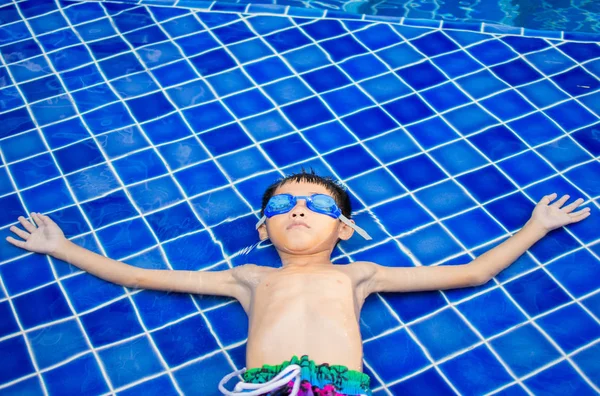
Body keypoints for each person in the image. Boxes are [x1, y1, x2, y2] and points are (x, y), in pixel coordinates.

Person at [6, 170, 592, 396]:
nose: (300, 210)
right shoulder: (250, 276)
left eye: (317, 204)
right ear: (264, 229)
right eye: (284, 205)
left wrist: (536, 227)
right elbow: (138, 274)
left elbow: (472, 273)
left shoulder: (360, 274)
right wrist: (63, 248)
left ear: (346, 229)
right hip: (267, 387)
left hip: (342, 389)